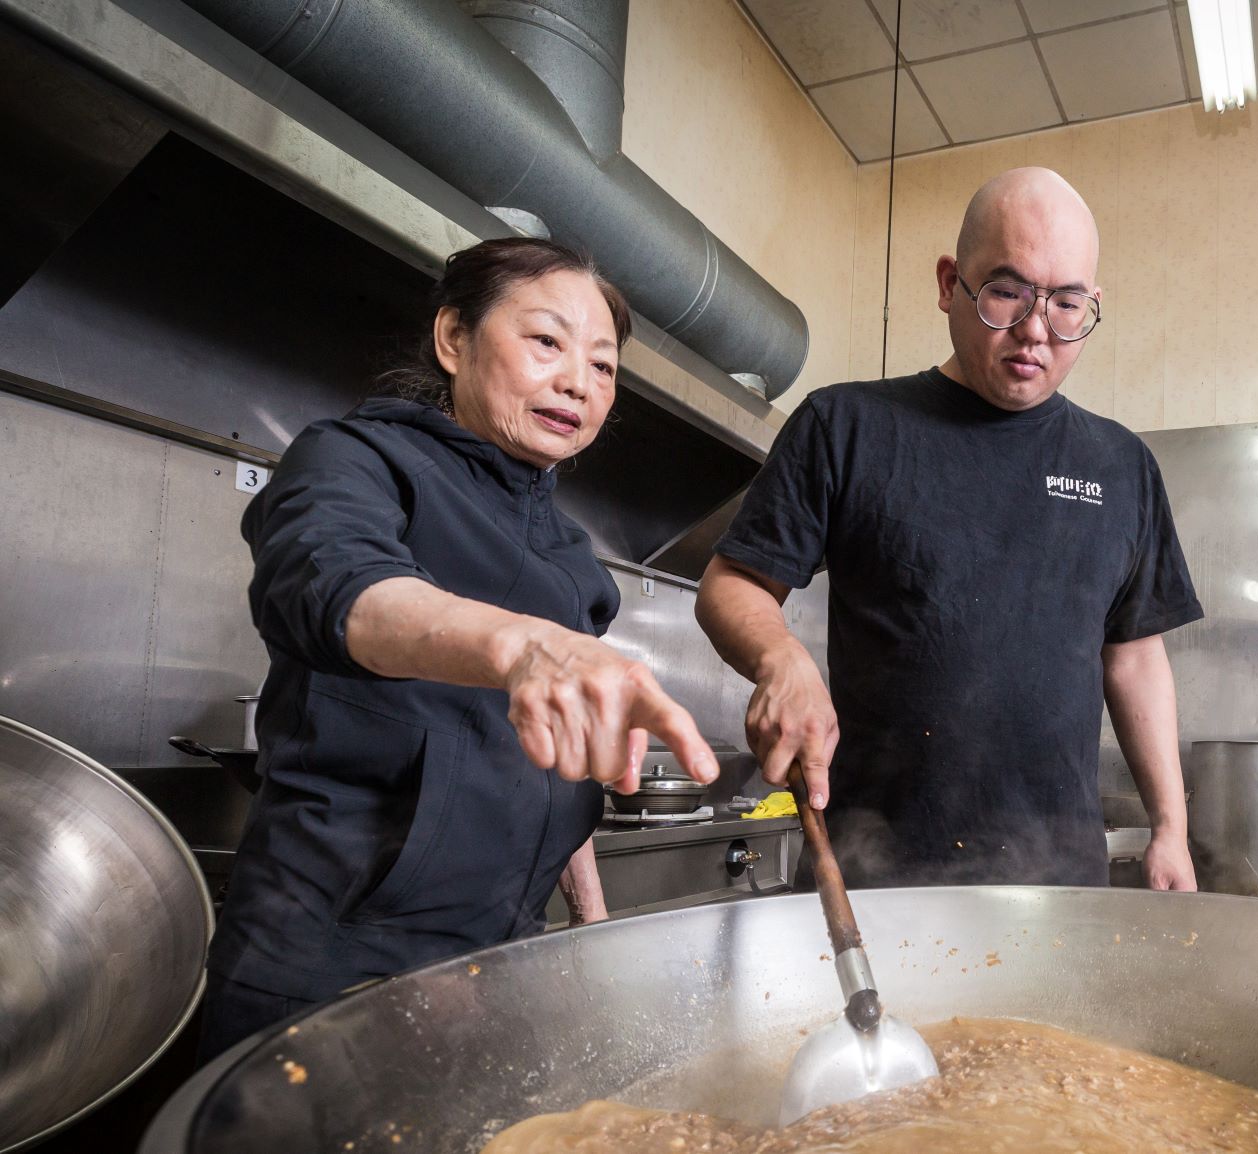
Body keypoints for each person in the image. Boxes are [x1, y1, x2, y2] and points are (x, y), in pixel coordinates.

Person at [198, 237, 718, 1061]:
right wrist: (519, 646)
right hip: (336, 950)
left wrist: (590, 918)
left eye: (604, 366)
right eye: (546, 341)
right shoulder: (355, 460)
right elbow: (330, 581)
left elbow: (564, 753)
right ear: (452, 338)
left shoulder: (572, 556)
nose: (579, 382)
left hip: (504, 951)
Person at [696, 167, 1202, 890]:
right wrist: (781, 659)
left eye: (1066, 305)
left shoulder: (1122, 465)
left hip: (1058, 889)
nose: (1035, 331)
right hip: (875, 880)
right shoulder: (846, 427)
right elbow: (731, 583)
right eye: (1006, 292)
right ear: (947, 284)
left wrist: (1171, 830)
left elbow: (1134, 659)